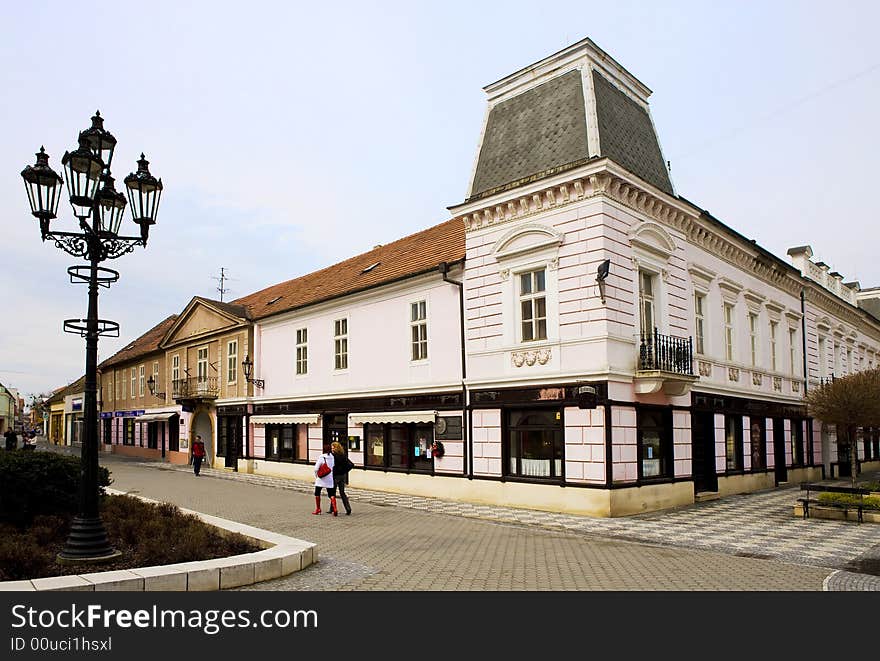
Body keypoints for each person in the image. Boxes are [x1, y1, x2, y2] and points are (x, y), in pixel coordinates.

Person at [313, 443, 337, 515]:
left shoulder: (322, 457)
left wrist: (316, 475)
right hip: (329, 477)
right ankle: (335, 508)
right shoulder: (332, 457)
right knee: (331, 493)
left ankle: (318, 509)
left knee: (317, 492)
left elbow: (316, 468)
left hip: (321, 477)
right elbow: (333, 466)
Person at [331, 441, 354, 515]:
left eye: (333, 448)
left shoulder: (333, 456)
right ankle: (348, 509)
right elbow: (351, 464)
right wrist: (345, 471)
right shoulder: (343, 455)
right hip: (342, 476)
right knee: (342, 493)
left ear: (336, 448)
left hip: (335, 476)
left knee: (332, 493)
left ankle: (334, 509)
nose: (332, 449)